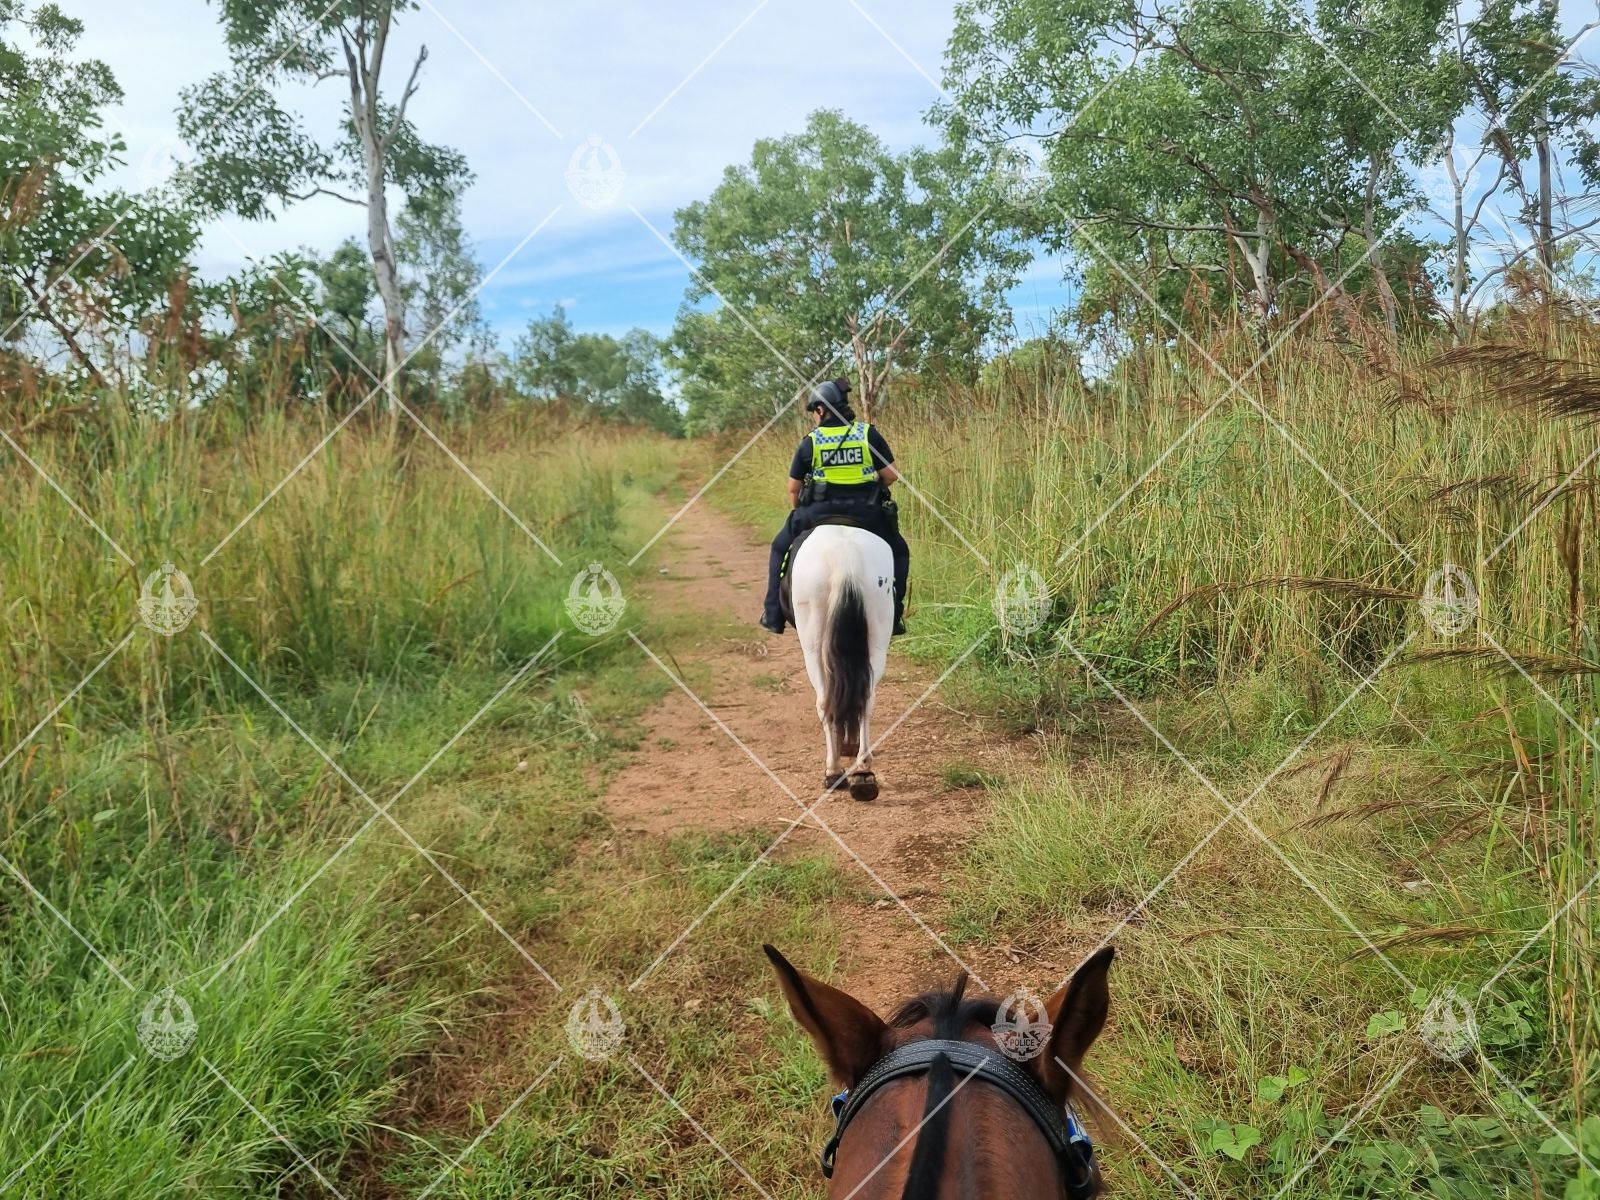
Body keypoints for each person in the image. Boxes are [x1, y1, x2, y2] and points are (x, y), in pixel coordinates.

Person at [759, 377, 909, 637]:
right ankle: (895, 613)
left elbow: (793, 489)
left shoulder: (811, 442)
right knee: (900, 552)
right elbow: (891, 475)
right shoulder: (867, 434)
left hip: (817, 513)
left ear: (821, 410)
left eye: (814, 412)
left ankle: (773, 613)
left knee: (779, 547)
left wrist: (798, 508)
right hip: (867, 513)